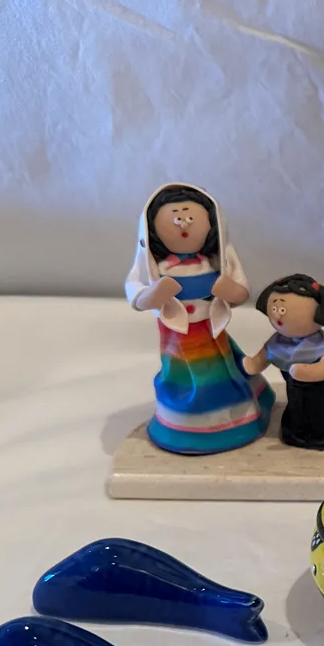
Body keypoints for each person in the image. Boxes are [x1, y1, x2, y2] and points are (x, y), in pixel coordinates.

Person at [124, 183, 274, 454]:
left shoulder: (214, 263)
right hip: (176, 338)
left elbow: (240, 292)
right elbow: (136, 293)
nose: (183, 223)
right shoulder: (156, 268)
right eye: (175, 216)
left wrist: (228, 290)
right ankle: (188, 428)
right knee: (186, 379)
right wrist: (154, 295)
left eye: (191, 216)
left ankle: (235, 421)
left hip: (211, 331)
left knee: (223, 371)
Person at [245, 274, 324, 450]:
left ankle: (323, 434)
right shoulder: (278, 341)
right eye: (275, 308)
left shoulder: (320, 345)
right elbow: (265, 355)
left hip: (321, 393)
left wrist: (310, 372)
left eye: (283, 310)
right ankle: (297, 430)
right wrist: (254, 363)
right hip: (294, 391)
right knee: (298, 410)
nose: (277, 314)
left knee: (321, 414)